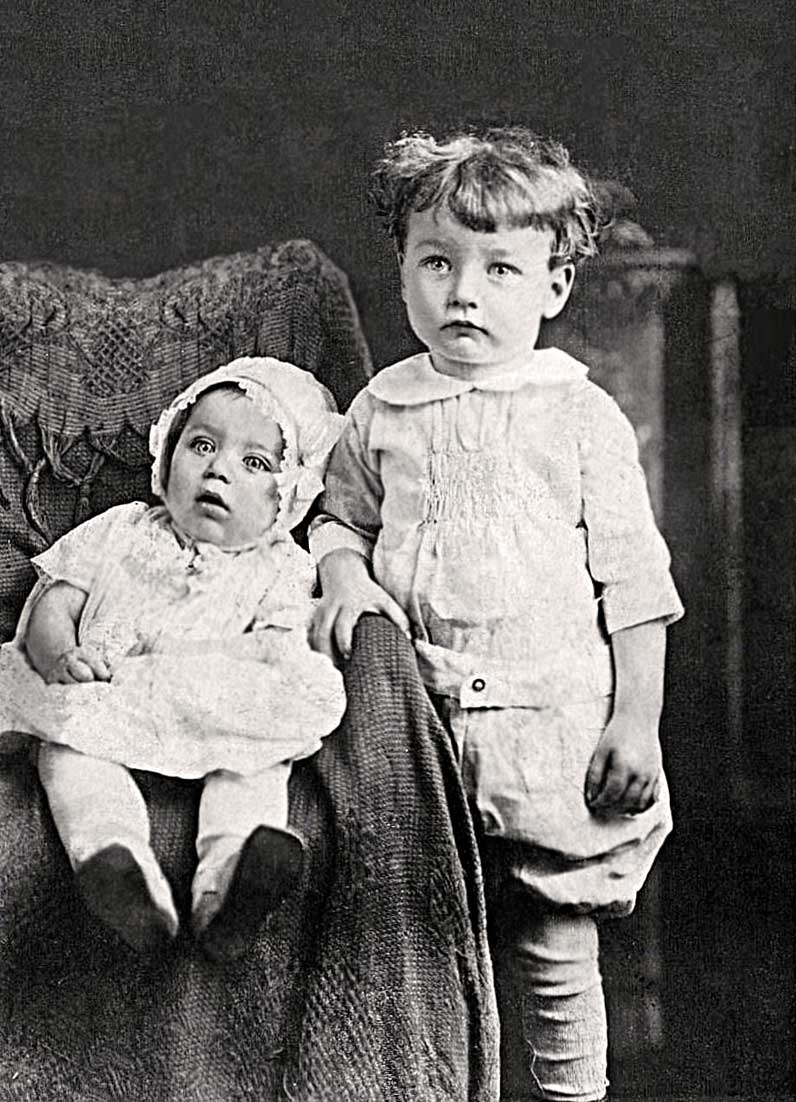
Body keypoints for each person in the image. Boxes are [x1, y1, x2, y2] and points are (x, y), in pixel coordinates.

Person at [309, 127, 684, 1101]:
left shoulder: (575, 414)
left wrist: (632, 720)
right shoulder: (381, 410)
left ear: (552, 287)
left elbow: (635, 585)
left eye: (499, 269)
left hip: (544, 730)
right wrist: (344, 576)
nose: (462, 292)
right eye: (436, 262)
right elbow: (336, 521)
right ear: (400, 272)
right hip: (414, 726)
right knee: (426, 957)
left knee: (553, 951)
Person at [0, 356, 346, 962]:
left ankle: (230, 883)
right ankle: (118, 865)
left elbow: (283, 643)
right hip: (108, 688)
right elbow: (56, 602)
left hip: (213, 701)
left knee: (256, 762)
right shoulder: (123, 528)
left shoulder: (281, 566)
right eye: (203, 444)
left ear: (285, 501)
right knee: (68, 749)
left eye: (254, 463)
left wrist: (260, 680)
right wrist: (61, 656)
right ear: (167, 455)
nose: (218, 470)